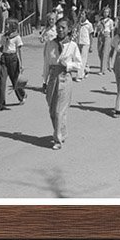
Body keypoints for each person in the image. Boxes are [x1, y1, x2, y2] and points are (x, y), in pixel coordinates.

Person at [44, 17, 82, 150]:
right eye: (58, 27)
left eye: (63, 27)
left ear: (69, 29)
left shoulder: (72, 46)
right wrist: (44, 80)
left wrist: (68, 65)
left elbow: (79, 64)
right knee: (52, 110)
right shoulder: (50, 44)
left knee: (60, 110)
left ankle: (57, 139)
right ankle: (62, 132)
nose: (60, 30)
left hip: (65, 78)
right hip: (53, 78)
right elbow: (47, 63)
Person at [0, 20, 25, 110]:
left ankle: (22, 95)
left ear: (12, 26)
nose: (5, 25)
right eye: (5, 23)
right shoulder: (4, 36)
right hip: (4, 59)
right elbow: (2, 49)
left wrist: (21, 64)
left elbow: (19, 51)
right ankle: (1, 104)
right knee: (2, 81)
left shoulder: (17, 37)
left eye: (7, 24)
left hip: (13, 59)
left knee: (15, 80)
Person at [73, 9, 94, 79]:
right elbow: (75, 32)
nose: (81, 15)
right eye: (81, 14)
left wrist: (91, 45)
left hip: (85, 43)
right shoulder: (78, 24)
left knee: (82, 59)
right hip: (79, 42)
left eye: (83, 14)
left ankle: (79, 76)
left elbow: (91, 36)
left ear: (86, 15)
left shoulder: (89, 25)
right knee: (79, 59)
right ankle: (86, 69)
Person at [38, 12, 58, 87]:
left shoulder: (57, 29)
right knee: (46, 67)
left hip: (55, 50)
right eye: (50, 19)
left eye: (53, 19)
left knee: (54, 67)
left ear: (55, 20)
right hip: (47, 50)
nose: (51, 21)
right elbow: (42, 40)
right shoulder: (46, 29)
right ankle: (45, 82)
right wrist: (41, 39)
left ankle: (52, 83)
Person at [97, 6, 115, 73]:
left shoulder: (110, 21)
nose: (105, 13)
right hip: (101, 36)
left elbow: (112, 30)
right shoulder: (100, 20)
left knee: (105, 52)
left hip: (107, 36)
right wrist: (99, 26)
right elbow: (97, 29)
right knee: (99, 52)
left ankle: (102, 70)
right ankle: (106, 64)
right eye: (104, 12)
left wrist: (112, 39)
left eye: (107, 12)